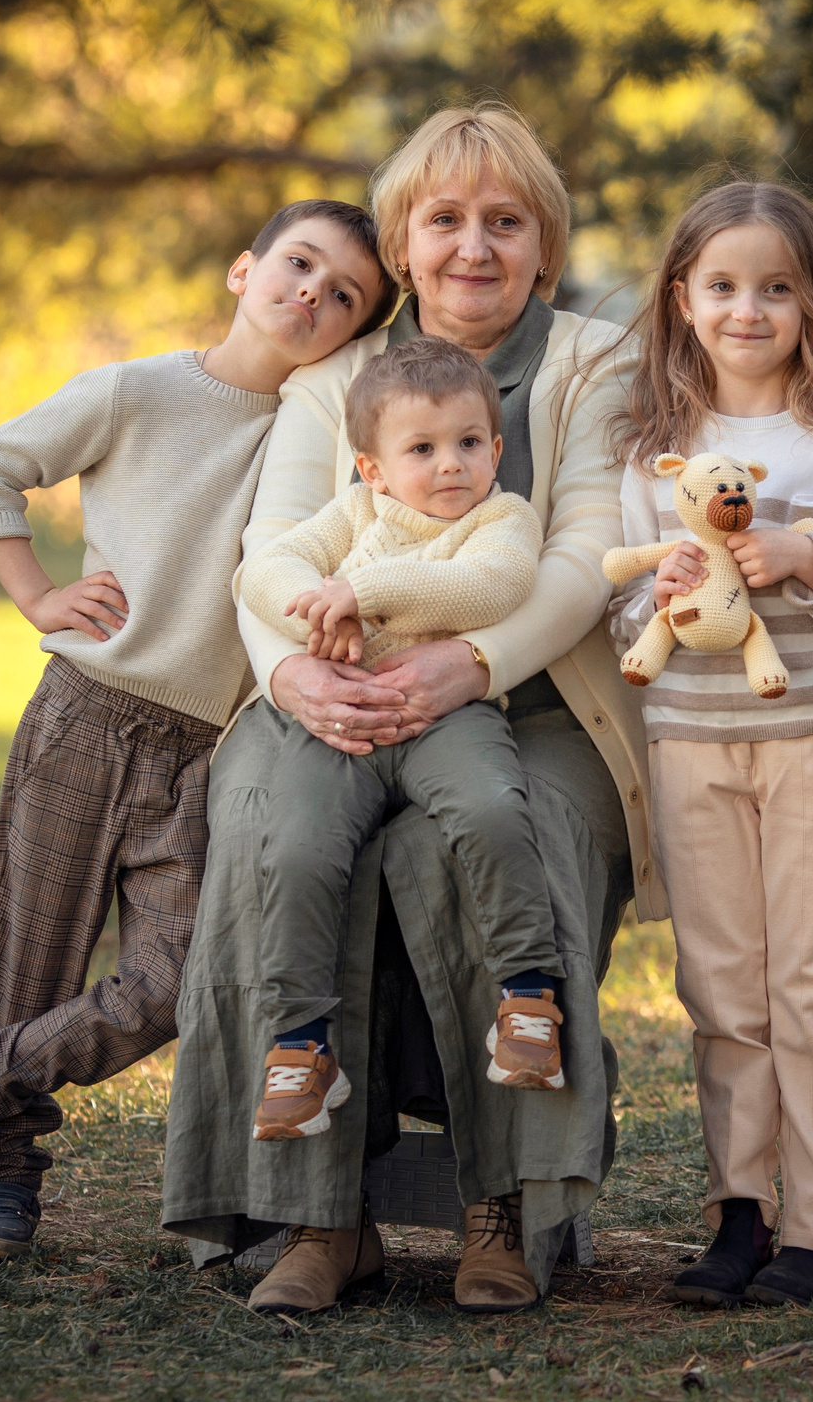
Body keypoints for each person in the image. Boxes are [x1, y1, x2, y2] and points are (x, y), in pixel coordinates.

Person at [162, 103, 655, 1318]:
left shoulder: (597, 364)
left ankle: (504, 1207)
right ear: (402, 239)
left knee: (483, 836)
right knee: (281, 832)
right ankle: (319, 1213)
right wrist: (292, 677)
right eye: (443, 221)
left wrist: (469, 665)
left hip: (538, 706)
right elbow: (275, 546)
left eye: (505, 222)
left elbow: (588, 554)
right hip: (331, 693)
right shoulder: (335, 380)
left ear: (544, 243)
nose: (473, 248)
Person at [0, 201, 393, 1261]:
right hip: (86, 718)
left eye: (343, 296)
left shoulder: (326, 435)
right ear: (243, 269)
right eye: (298, 266)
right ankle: (0, 1185)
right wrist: (35, 594)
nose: (311, 296)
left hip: (205, 749)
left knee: (172, 981)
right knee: (28, 968)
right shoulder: (137, 391)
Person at [608, 181, 813, 1311]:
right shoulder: (653, 448)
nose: (749, 310)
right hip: (691, 739)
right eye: (725, 286)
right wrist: (669, 598)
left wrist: (806, 561)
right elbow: (614, 614)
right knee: (723, 985)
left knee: (811, 984)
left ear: (812, 303)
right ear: (683, 299)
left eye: (776, 288)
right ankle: (739, 1215)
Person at [236, 335, 568, 1143]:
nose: (450, 464)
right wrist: (317, 608)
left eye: (467, 444)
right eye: (422, 448)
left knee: (493, 809)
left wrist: (361, 591)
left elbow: (492, 585)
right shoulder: (350, 513)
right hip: (343, 721)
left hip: (448, 718)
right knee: (296, 846)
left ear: (495, 449)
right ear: (373, 469)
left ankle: (528, 993)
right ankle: (301, 1044)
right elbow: (264, 569)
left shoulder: (503, 516)